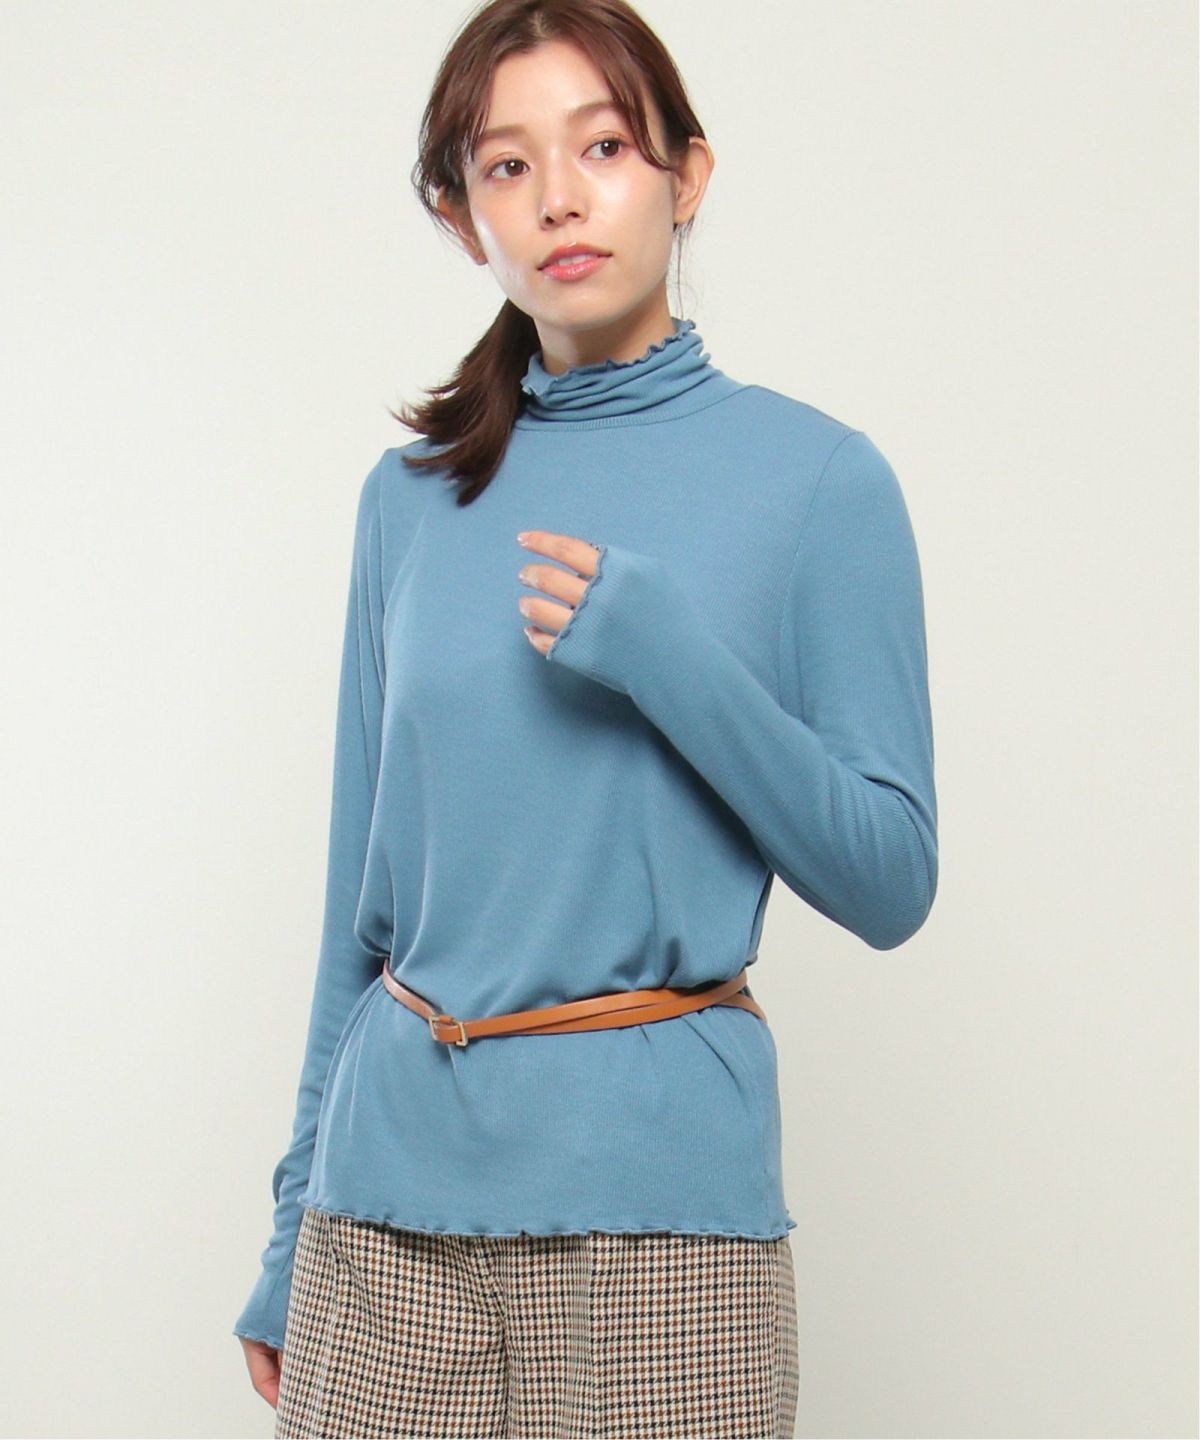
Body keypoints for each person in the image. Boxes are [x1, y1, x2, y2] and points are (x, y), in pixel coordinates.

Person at [234, 0, 938, 1435]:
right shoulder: (410, 501)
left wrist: (676, 661)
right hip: (381, 1218)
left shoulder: (819, 483)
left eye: (604, 146)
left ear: (689, 174)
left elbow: (890, 881)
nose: (558, 197)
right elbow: (360, 912)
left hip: (661, 1229)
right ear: (462, 217)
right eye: (507, 165)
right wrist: (290, 1228)